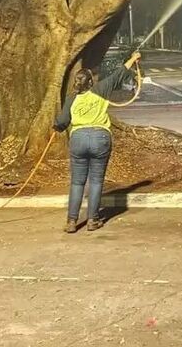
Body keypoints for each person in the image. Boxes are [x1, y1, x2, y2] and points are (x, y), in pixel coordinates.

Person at [54, 51, 142, 234]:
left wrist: (57, 127)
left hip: (78, 139)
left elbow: (62, 122)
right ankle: (93, 220)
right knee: (96, 181)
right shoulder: (101, 90)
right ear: (90, 82)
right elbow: (119, 74)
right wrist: (133, 59)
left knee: (77, 182)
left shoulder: (71, 99)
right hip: (100, 138)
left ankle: (71, 221)